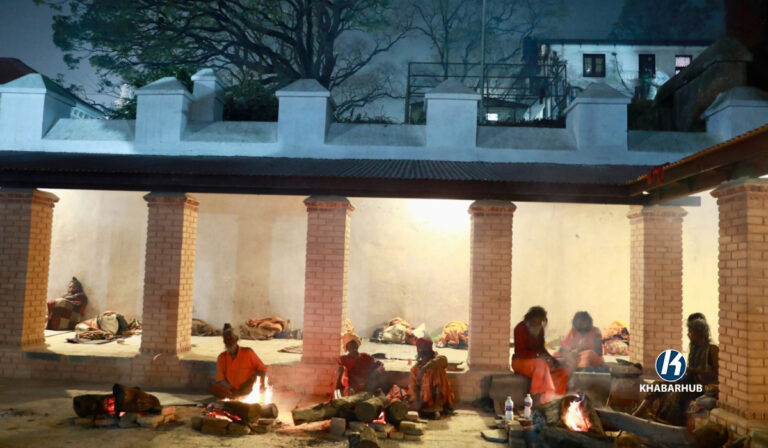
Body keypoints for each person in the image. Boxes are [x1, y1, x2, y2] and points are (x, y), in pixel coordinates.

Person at [633, 317, 719, 425]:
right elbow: (689, 373)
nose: (688, 334)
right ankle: (636, 415)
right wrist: (677, 378)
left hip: (702, 388)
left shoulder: (712, 349)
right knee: (657, 384)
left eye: (691, 332)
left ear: (699, 332)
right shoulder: (694, 348)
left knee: (676, 394)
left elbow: (716, 375)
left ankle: (668, 424)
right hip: (689, 383)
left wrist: (693, 370)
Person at [512, 306, 570, 404]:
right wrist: (539, 355)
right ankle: (536, 397)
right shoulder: (519, 328)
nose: (537, 324)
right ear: (529, 319)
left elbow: (541, 348)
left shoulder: (540, 329)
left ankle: (556, 400)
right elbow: (521, 352)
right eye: (535, 322)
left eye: (539, 322)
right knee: (541, 364)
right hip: (520, 362)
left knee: (564, 370)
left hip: (538, 362)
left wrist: (553, 360)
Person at [209, 323, 267, 399]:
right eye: (226, 339)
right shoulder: (222, 357)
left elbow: (262, 370)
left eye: (230, 339)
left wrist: (261, 384)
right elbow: (220, 379)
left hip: (248, 388)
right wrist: (232, 389)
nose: (228, 342)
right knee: (213, 388)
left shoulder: (248, 352)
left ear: (236, 339)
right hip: (232, 391)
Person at [409, 337, 454, 417]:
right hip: (425, 399)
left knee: (436, 369)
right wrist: (415, 402)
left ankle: (438, 406)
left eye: (424, 346)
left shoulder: (438, 360)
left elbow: (443, 360)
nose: (421, 349)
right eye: (419, 347)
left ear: (429, 348)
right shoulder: (415, 368)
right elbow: (413, 387)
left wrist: (425, 368)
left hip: (440, 397)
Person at [335, 332, 386, 396]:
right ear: (347, 348)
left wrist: (376, 372)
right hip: (351, 389)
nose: (353, 348)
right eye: (350, 346)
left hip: (366, 388)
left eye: (354, 345)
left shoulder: (365, 356)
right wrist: (347, 387)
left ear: (357, 345)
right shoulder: (343, 359)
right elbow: (342, 376)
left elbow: (380, 364)